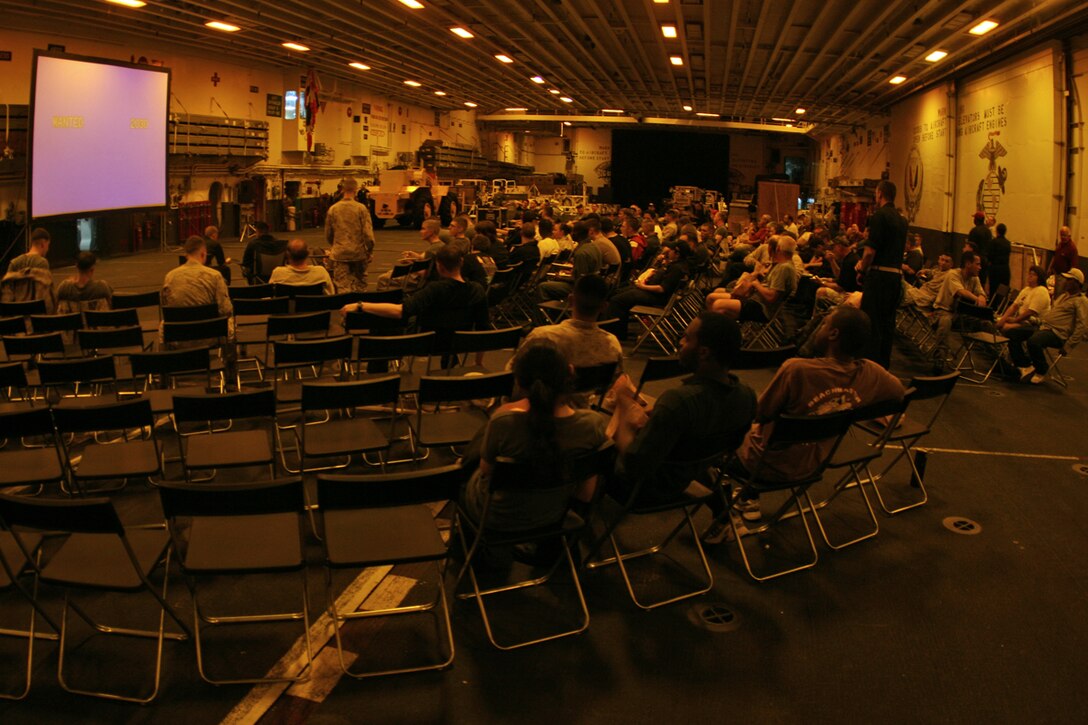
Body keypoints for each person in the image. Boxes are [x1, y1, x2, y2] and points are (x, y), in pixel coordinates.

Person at [709, 307, 906, 537]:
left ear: (833, 334)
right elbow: (899, 394)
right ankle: (748, 497)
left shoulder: (797, 369)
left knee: (710, 442)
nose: (819, 329)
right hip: (813, 464)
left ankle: (725, 519)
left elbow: (760, 413)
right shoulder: (871, 373)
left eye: (824, 324)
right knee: (776, 434)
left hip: (763, 464)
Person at [608, 312, 756, 506]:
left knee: (595, 444)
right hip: (687, 476)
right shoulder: (748, 397)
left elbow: (633, 468)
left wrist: (625, 415)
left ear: (703, 352)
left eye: (686, 338)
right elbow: (729, 446)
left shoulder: (679, 401)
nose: (680, 342)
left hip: (642, 491)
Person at [460, 340, 609, 531]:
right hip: (554, 516)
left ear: (518, 381)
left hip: (495, 517)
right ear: (570, 372)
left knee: (467, 467)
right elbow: (585, 494)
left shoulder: (504, 422)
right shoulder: (592, 425)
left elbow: (487, 470)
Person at [341, 245, 487, 360]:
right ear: (461, 263)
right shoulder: (477, 290)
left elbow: (401, 311)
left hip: (426, 343)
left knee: (381, 324)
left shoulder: (435, 289)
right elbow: (482, 329)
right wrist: (478, 363)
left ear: (439, 266)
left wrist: (361, 305)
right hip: (458, 344)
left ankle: (377, 373)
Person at [161, 235, 236, 377]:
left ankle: (165, 376)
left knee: (162, 326)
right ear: (203, 254)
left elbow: (166, 306)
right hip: (209, 336)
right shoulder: (215, 276)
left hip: (178, 336)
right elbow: (226, 310)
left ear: (186, 254)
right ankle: (230, 377)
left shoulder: (170, 277)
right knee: (230, 324)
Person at [520, 274, 623, 373]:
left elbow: (515, 374)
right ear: (604, 307)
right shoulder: (612, 344)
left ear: (570, 300)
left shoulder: (541, 337)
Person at [856, 180, 908, 369]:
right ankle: (882, 369)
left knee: (872, 324)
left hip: (879, 278)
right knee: (887, 325)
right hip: (895, 278)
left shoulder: (879, 216)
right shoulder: (902, 220)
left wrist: (862, 270)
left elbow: (870, 252)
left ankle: (869, 367)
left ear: (879, 194)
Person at [1007, 268, 1087, 384]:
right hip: (1044, 327)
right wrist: (1036, 320)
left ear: (1077, 283)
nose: (1065, 282)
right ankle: (1025, 365)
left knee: (1034, 341)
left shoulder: (1081, 301)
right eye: (1065, 279)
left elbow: (1082, 326)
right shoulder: (1063, 296)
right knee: (1012, 333)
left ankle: (1041, 370)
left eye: (1069, 280)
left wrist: (1069, 346)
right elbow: (1051, 315)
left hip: (1058, 334)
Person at [605, 241, 690, 341]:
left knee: (617, 300)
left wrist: (642, 286)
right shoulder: (680, 265)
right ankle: (619, 331)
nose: (668, 253)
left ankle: (616, 333)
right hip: (656, 295)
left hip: (658, 298)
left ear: (677, 253)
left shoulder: (676, 268)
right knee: (619, 292)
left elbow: (661, 289)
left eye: (670, 251)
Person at [708, 236, 799, 323]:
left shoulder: (784, 268)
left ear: (778, 248)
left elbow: (771, 297)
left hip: (761, 307)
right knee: (714, 301)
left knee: (718, 304)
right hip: (755, 300)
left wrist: (756, 284)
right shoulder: (783, 265)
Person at [932, 251, 987, 363]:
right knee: (945, 322)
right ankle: (939, 360)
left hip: (960, 315)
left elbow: (981, 293)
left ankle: (1001, 361)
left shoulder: (974, 278)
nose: (980, 267)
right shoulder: (953, 274)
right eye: (977, 264)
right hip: (944, 311)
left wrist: (981, 297)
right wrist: (977, 299)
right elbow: (960, 291)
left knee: (987, 323)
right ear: (968, 264)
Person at [325, 177, 375, 292]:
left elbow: (328, 234)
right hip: (358, 254)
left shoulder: (333, 209)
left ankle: (346, 307)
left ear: (342, 190)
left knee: (342, 286)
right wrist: (370, 251)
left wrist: (335, 245)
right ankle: (359, 307)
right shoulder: (361, 209)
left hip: (340, 254)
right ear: (356, 190)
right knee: (360, 286)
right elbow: (368, 235)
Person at [538, 221, 602, 301]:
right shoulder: (595, 246)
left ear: (577, 234)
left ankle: (548, 311)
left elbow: (578, 280)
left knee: (542, 286)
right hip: (592, 286)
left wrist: (561, 278)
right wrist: (572, 272)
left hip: (581, 289)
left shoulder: (581, 253)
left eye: (573, 232)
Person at [2, 227, 56, 312]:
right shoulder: (42, 263)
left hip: (17, 315)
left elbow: (7, 293)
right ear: (43, 243)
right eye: (48, 245)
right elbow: (44, 295)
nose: (47, 249)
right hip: (35, 316)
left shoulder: (14, 263)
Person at [268, 239, 334, 294]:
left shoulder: (278, 273)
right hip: (315, 309)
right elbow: (331, 293)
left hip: (286, 309)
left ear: (287, 255)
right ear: (307, 254)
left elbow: (269, 295)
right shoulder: (321, 272)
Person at [996, 265, 1049, 333]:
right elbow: (1014, 306)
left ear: (1040, 278)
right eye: (1030, 273)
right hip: (1022, 320)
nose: (1030, 276)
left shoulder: (1041, 290)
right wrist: (1003, 318)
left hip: (1034, 324)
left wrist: (1015, 320)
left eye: (1034, 274)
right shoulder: (1026, 289)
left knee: (1005, 327)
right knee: (998, 323)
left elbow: (1030, 312)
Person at [967, 211, 992, 285]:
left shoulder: (974, 231)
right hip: (985, 260)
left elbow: (970, 246)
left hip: (975, 260)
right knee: (982, 283)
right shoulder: (988, 231)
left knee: (973, 282)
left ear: (976, 220)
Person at [988, 223, 1012, 295]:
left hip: (995, 269)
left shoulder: (993, 242)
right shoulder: (1008, 243)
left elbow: (990, 256)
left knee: (993, 290)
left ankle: (993, 305)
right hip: (1005, 269)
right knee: (1003, 291)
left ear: (997, 231)